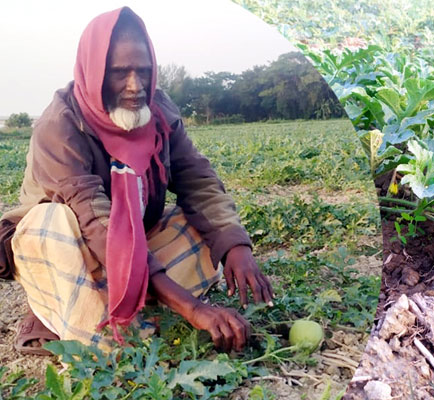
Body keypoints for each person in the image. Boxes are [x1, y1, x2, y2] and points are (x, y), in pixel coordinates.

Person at [0, 6, 274, 355]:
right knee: (50, 222)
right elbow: (97, 223)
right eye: (119, 73)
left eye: (143, 71)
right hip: (73, 245)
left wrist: (237, 247)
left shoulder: (159, 111)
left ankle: (97, 311)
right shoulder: (60, 124)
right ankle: (54, 313)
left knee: (199, 228)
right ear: (94, 71)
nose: (136, 86)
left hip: (134, 242)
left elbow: (198, 180)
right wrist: (193, 307)